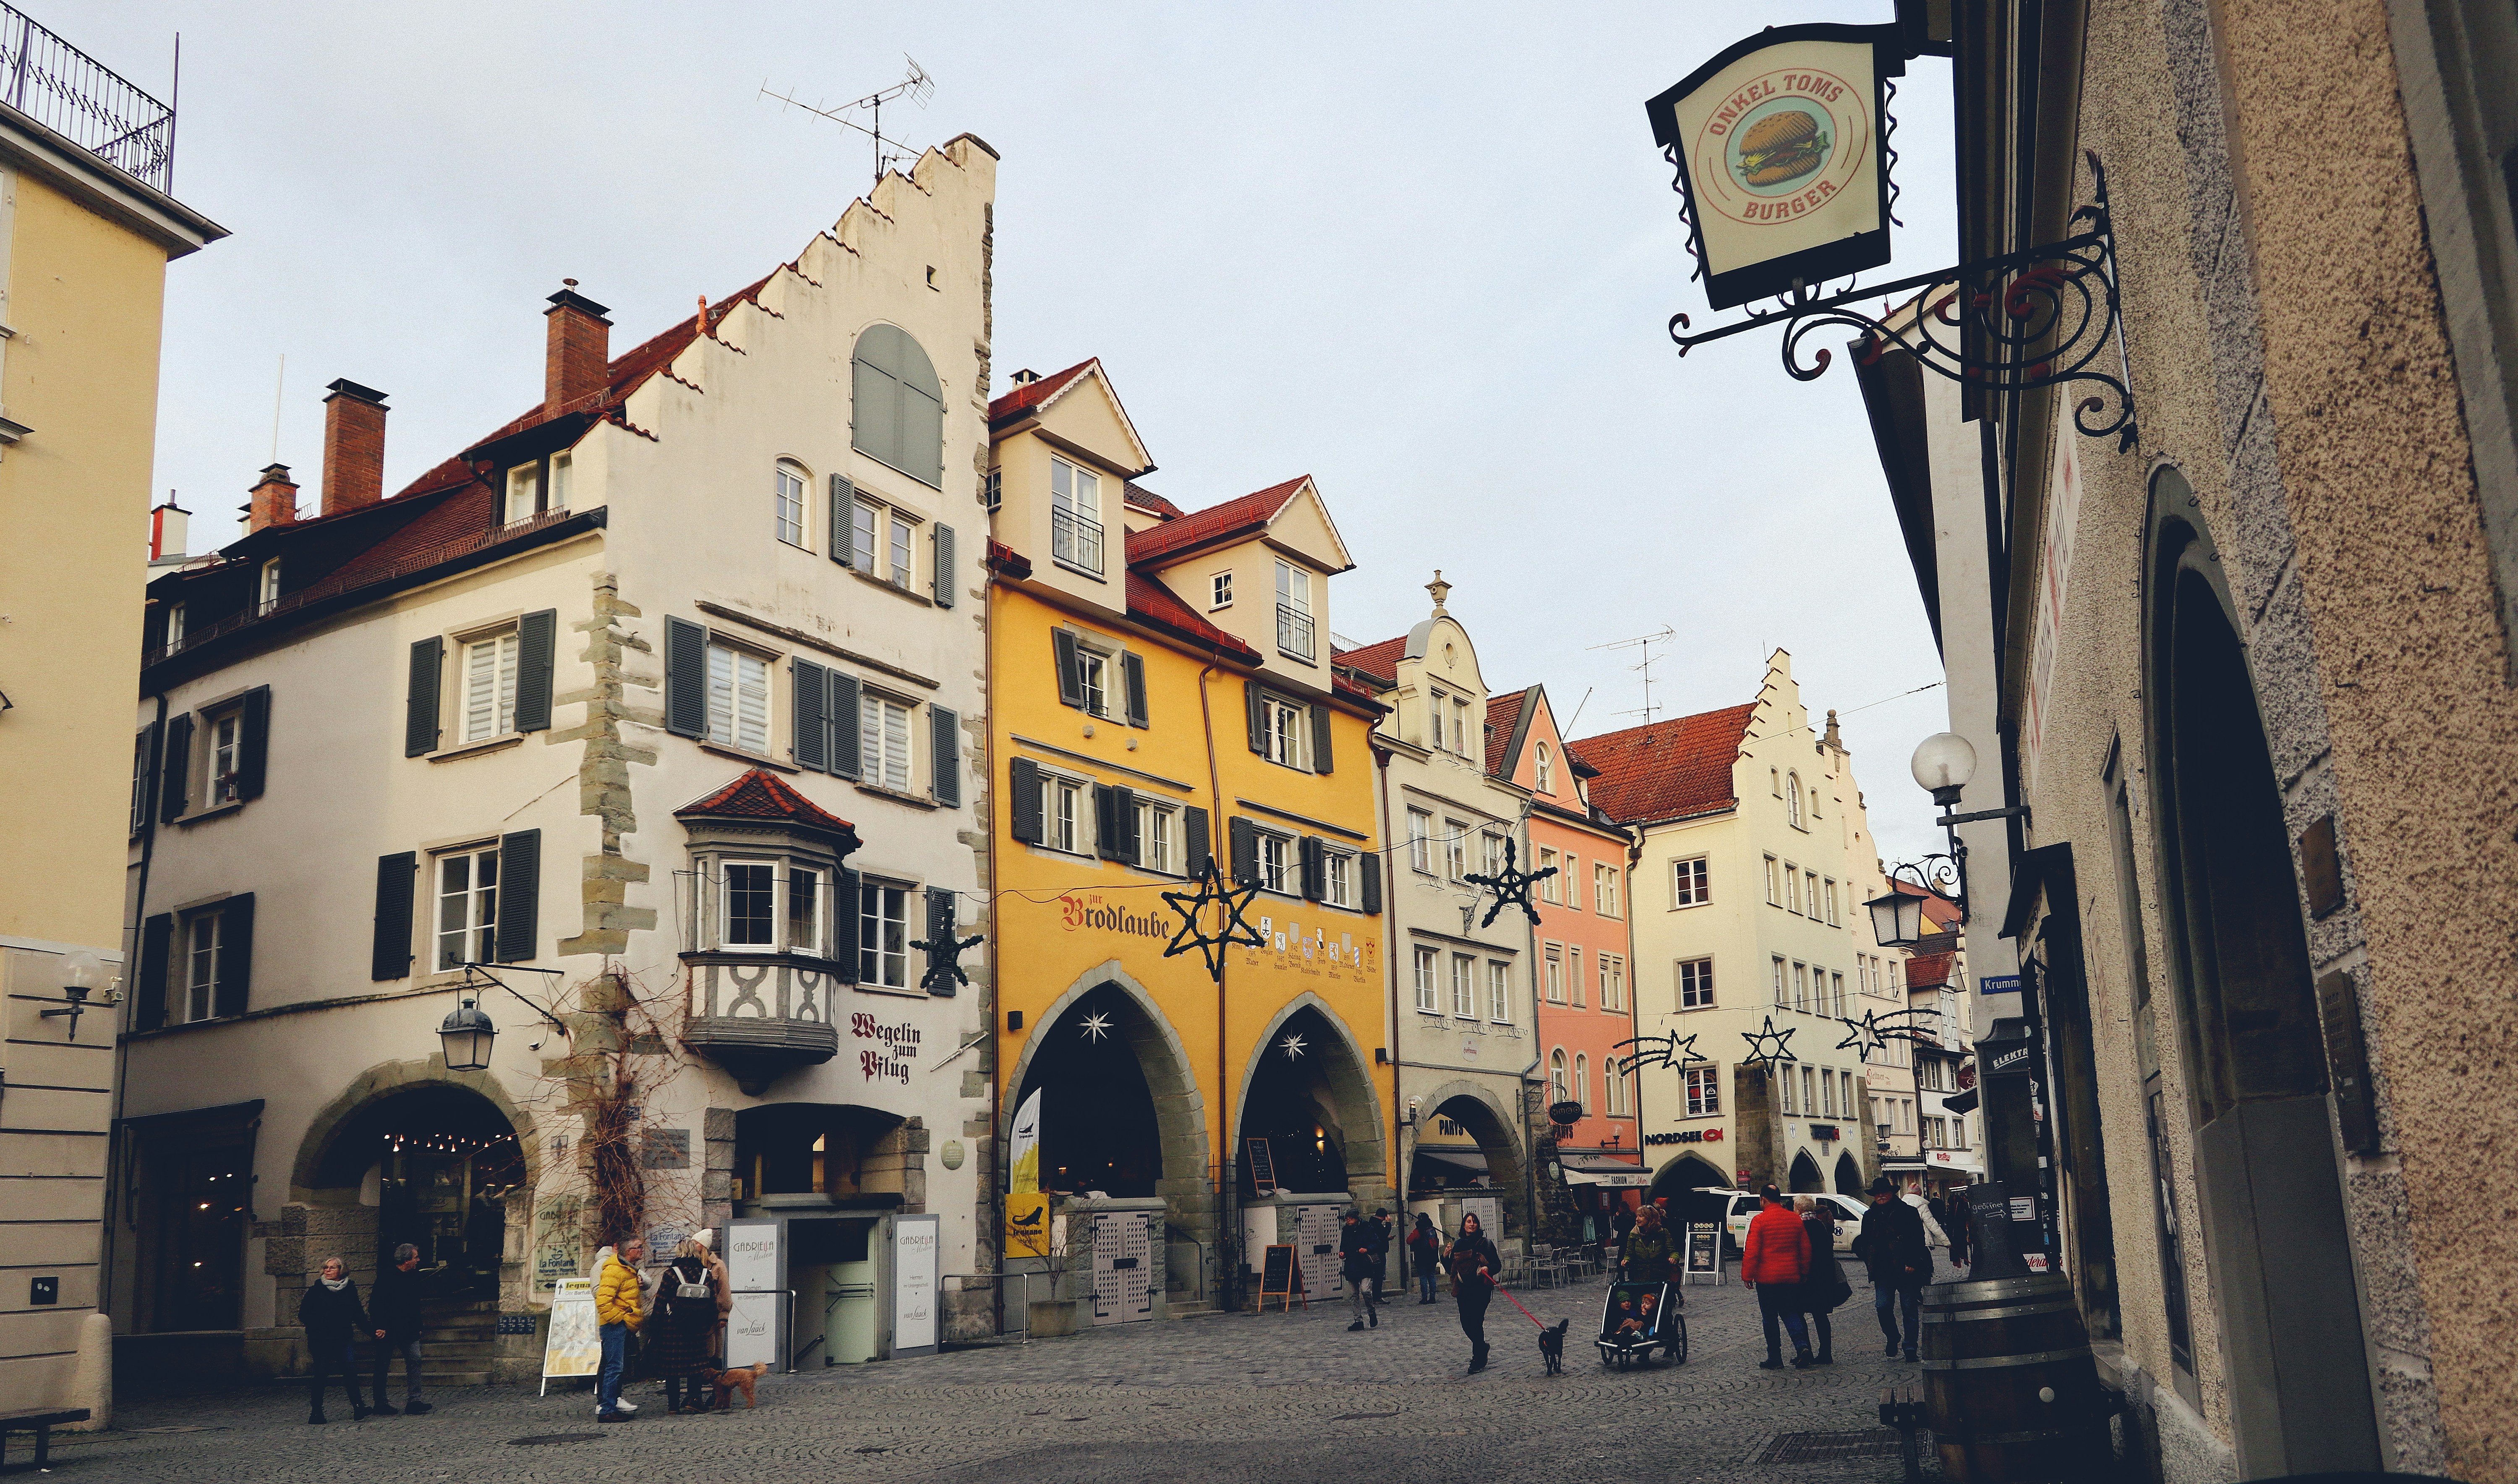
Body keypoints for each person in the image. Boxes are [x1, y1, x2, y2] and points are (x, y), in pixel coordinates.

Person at [1853, 1176, 1933, 1361]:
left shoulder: (1908, 1212)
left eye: (1884, 1193)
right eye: (1877, 1194)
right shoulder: (1870, 1216)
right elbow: (1865, 1242)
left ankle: (1911, 1347)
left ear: (1892, 1193)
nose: (1880, 1196)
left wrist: (1913, 1263)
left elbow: (1918, 1241)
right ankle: (1892, 1336)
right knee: (1882, 1307)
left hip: (1906, 1267)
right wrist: (1869, 1261)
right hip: (1882, 1269)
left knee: (1909, 1309)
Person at [1742, 1186, 1813, 1369]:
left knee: (1770, 1318)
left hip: (1767, 1280)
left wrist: (1747, 1275)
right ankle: (1802, 1346)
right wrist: (1804, 1272)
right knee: (1791, 1313)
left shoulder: (1759, 1221)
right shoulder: (1795, 1219)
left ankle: (1775, 1357)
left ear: (1763, 1200)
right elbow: (1805, 1249)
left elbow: (1752, 1251)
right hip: (1791, 1277)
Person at [652, 1239, 722, 1412]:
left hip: (673, 1328)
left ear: (679, 1252)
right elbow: (713, 1304)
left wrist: (656, 1327)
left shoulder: (671, 1274)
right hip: (697, 1327)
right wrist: (707, 1325)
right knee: (696, 1367)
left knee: (672, 1369)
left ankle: (673, 1406)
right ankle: (694, 1399)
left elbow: (660, 1301)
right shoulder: (705, 1274)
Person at [300, 1254, 371, 1424]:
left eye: (332, 1268)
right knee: (321, 1374)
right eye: (326, 1268)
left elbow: (358, 1314)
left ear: (341, 1270)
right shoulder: (316, 1290)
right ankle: (316, 1412)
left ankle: (358, 1407)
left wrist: (372, 1331)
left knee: (350, 1371)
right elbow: (304, 1314)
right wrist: (320, 1325)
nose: (328, 1271)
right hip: (321, 1340)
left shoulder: (350, 1289)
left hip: (342, 1338)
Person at [366, 1242, 433, 1416]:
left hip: (408, 1328)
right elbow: (375, 1305)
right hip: (388, 1329)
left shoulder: (413, 1277)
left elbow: (415, 1304)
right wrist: (380, 1326)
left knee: (415, 1360)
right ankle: (380, 1403)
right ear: (406, 1260)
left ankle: (415, 1400)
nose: (418, 1260)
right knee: (382, 1365)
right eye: (416, 1257)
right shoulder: (386, 1277)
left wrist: (418, 1326)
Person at [594, 1236, 647, 1421]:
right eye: (638, 1247)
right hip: (615, 1326)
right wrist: (620, 1319)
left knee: (616, 1367)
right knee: (614, 1367)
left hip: (623, 1325)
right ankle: (607, 1409)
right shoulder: (615, 1270)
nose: (642, 1250)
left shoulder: (628, 1269)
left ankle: (611, 1406)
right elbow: (603, 1301)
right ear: (627, 1251)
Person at [1794, 1196, 1849, 1366]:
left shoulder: (1800, 1227)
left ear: (1799, 1210)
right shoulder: (1821, 1225)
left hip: (1805, 1278)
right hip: (1823, 1278)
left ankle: (1805, 1351)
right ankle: (1825, 1352)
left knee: (1799, 1314)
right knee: (1820, 1316)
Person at [1447, 1211, 1503, 1374]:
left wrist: (1488, 1268)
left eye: (1474, 1222)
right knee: (1466, 1323)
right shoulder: (1458, 1244)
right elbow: (1452, 1267)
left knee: (1476, 1322)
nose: (1472, 1224)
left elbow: (1497, 1265)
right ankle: (1482, 1347)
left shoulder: (1486, 1243)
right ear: (1464, 1225)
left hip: (1481, 1289)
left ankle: (1477, 1359)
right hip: (1463, 1289)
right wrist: (1444, 1256)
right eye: (1469, 1222)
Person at [1339, 1210, 1379, 1330]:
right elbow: (1343, 1245)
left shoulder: (1367, 1228)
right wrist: (1342, 1253)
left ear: (1356, 1219)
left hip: (1365, 1264)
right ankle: (1358, 1321)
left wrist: (1367, 1249)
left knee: (1365, 1290)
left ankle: (1371, 1312)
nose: (1348, 1221)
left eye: (1350, 1219)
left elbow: (1377, 1243)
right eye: (1347, 1219)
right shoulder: (1346, 1231)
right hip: (1351, 1264)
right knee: (1354, 1294)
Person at [1622, 1205, 1677, 1285]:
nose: (1637, 1219)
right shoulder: (1634, 1235)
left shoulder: (1663, 1233)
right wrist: (1626, 1260)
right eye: (1637, 1216)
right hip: (1639, 1277)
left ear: (1650, 1218)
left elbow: (1673, 1252)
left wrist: (1674, 1258)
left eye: (1641, 1216)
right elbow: (1629, 1253)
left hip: (1660, 1276)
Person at [1406, 1214, 1444, 1304]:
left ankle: (1424, 1298)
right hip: (1433, 1257)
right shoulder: (1432, 1229)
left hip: (1421, 1257)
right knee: (1432, 1276)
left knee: (1423, 1277)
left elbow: (1409, 1241)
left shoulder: (1418, 1231)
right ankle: (1433, 1297)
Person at [1369, 1209, 1395, 1303]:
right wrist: (1388, 1223)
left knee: (1378, 1275)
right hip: (1379, 1252)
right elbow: (1384, 1233)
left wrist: (1387, 1239)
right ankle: (1377, 1297)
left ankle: (1377, 1297)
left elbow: (1380, 1236)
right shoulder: (1376, 1223)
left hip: (1376, 1250)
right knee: (1379, 1275)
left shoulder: (1373, 1222)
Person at [1943, 1190, 1972, 1267]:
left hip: (1955, 1231)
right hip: (1960, 1230)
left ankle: (1959, 1259)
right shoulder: (1961, 1205)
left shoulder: (1955, 1206)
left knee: (1957, 1244)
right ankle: (1962, 1258)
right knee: (1961, 1244)